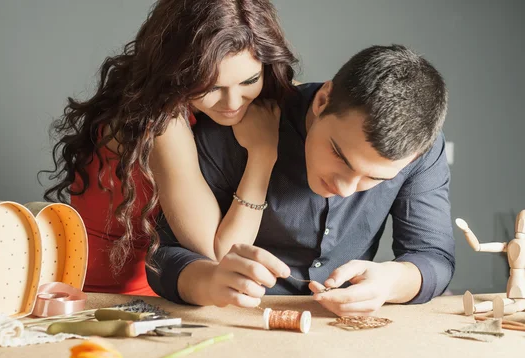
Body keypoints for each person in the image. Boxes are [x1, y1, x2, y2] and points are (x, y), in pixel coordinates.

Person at [148, 44, 455, 316]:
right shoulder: (237, 125)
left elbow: (433, 257)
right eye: (340, 156)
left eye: (374, 177)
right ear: (323, 101)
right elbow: (164, 257)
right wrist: (208, 282)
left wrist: (391, 282)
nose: (345, 188)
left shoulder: (421, 148)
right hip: (239, 323)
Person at [42, 0, 297, 295]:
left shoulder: (191, 98)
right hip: (103, 299)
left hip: (167, 291)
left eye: (249, 80)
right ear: (179, 71)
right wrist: (263, 154)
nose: (233, 103)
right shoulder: (161, 123)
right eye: (212, 86)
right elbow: (219, 254)